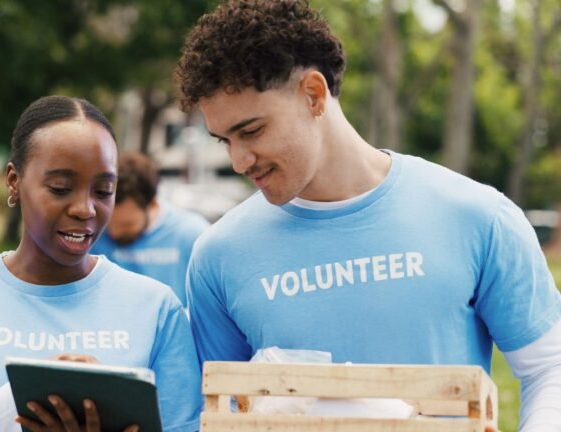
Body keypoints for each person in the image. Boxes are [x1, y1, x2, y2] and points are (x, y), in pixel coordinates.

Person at [174, 1, 561, 429]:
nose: (239, 161)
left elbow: (549, 367)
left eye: (251, 131)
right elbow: (214, 409)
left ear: (313, 94)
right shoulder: (218, 255)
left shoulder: (477, 216)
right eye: (224, 140)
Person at [0, 96, 201, 432]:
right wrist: (36, 388)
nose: (85, 209)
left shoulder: (157, 308)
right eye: (61, 188)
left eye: (103, 191)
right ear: (13, 181)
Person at [91, 151, 209, 306]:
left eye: (127, 225)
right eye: (107, 223)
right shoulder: (94, 235)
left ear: (152, 204)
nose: (114, 233)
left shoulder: (192, 235)